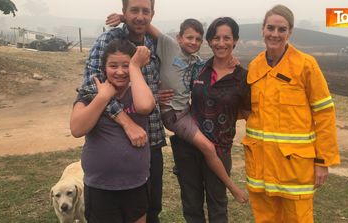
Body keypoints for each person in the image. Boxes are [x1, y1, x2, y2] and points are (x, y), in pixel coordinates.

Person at [106, 14, 247, 203]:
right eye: (189, 37)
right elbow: (148, 27)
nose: (193, 42)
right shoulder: (169, 46)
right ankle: (233, 188)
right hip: (173, 114)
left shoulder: (196, 60)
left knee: (205, 145)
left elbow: (215, 64)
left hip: (185, 111)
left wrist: (233, 61)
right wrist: (125, 17)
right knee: (207, 147)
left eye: (198, 39)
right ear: (179, 38)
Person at [243, 5, 341, 222]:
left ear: (290, 32)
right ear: (262, 29)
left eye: (281, 29)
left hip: (294, 168)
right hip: (261, 166)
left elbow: (324, 113)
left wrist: (322, 161)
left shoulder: (306, 65)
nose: (275, 34)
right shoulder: (255, 66)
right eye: (270, 28)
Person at [78, 0, 166, 222]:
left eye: (145, 11)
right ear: (124, 12)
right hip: (117, 139)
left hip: (151, 137)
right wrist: (127, 122)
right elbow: (91, 87)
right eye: (134, 10)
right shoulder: (110, 40)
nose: (140, 16)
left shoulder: (152, 43)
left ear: (152, 14)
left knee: (151, 207)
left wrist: (158, 93)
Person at [169, 17, 250, 223]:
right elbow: (177, 85)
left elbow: (247, 112)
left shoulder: (243, 78)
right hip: (188, 146)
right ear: (209, 41)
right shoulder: (199, 68)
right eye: (215, 38)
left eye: (226, 38)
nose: (221, 43)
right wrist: (160, 95)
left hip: (220, 149)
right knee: (191, 204)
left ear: (235, 41)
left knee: (217, 205)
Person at [70, 39, 155, 223]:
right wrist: (102, 97)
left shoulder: (139, 91)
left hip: (136, 184)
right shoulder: (89, 94)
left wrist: (135, 67)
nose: (120, 71)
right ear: (104, 67)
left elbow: (145, 106)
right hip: (100, 186)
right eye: (113, 65)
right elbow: (77, 129)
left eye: (126, 65)